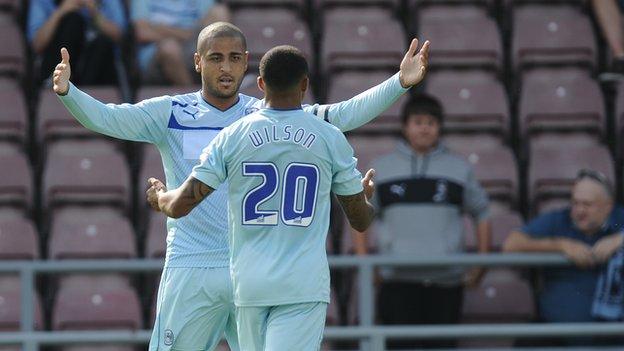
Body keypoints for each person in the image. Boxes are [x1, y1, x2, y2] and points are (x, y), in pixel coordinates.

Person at [52, 22, 429, 351]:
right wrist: (70, 93)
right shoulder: (171, 112)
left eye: (234, 58)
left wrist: (399, 83)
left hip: (247, 270)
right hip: (191, 264)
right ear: (198, 62)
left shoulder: (265, 115)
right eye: (215, 58)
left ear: (247, 62)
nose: (226, 67)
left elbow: (341, 114)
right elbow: (110, 119)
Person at [147, 45, 376, 350]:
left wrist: (161, 196)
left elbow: (178, 206)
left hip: (249, 284)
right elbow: (360, 220)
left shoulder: (232, 135)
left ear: (260, 84)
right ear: (305, 84)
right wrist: (365, 196)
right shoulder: (329, 136)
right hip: (302, 285)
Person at [356, 94, 491, 349]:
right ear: (405, 126)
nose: (424, 128)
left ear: (439, 127)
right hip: (396, 283)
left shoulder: (459, 169)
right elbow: (360, 214)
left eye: (431, 122)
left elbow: (482, 213)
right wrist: (367, 265)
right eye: (418, 121)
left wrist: (482, 266)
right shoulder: (380, 168)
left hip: (446, 284)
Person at [503, 169, 624, 345]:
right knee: (527, 342)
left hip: (611, 333)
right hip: (556, 335)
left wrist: (620, 239)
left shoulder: (619, 217)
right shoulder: (559, 219)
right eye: (575, 203)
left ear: (608, 207)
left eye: (587, 204)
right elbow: (511, 245)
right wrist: (561, 245)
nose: (579, 210)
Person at [131, 0, 231, 85]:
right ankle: (193, 101)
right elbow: (142, 32)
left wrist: (160, 28)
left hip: (193, 47)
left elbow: (209, 26)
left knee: (219, 12)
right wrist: (184, 33)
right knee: (170, 47)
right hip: (155, 55)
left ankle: (223, 83)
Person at [28, 0, 126, 85]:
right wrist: (61, 11)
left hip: (97, 69)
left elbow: (120, 36)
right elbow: (36, 44)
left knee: (102, 43)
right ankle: (58, 83)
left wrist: (94, 13)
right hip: (56, 65)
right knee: (73, 20)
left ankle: (85, 99)